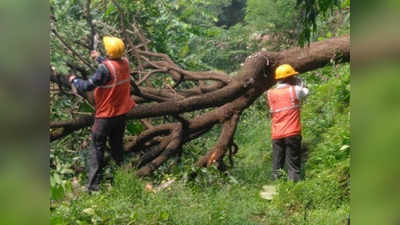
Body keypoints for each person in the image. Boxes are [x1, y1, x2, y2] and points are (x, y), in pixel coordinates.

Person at [68, 36, 136, 191]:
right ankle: (124, 181)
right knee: (117, 148)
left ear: (109, 52)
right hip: (121, 115)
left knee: (97, 148)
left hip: (105, 116)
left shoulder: (104, 69)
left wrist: (74, 80)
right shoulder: (125, 63)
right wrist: (98, 58)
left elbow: (87, 85)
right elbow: (112, 70)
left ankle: (93, 187)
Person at [265, 64, 309, 182]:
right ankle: (293, 187)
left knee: (277, 164)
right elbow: (306, 92)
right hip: (292, 132)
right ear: (289, 78)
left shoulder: (270, 93)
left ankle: (276, 188)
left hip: (277, 134)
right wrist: (300, 84)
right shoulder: (295, 90)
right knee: (293, 164)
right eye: (293, 76)